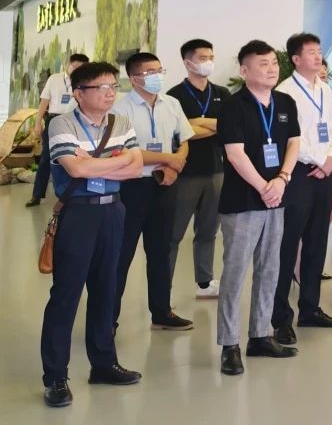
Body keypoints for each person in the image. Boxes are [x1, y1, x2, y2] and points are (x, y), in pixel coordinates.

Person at [39, 61, 144, 407]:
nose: (110, 92)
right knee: (66, 294)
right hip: (78, 213)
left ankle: (103, 364)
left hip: (113, 210)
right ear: (79, 93)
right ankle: (56, 377)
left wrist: (94, 164)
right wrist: (116, 159)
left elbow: (136, 168)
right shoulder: (61, 123)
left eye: (113, 85)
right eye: (101, 87)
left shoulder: (121, 122)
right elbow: (75, 168)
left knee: (106, 289)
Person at [215, 40, 301, 375]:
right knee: (235, 273)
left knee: (270, 268)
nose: (271, 69)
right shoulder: (233, 106)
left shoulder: (285, 102)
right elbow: (235, 154)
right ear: (244, 70)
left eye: (273, 63)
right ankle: (229, 345)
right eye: (262, 64)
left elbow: (294, 142)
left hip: (276, 198)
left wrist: (282, 179)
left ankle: (261, 335)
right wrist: (264, 187)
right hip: (243, 201)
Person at [272, 33, 332, 346]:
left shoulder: (325, 89)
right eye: (312, 52)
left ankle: (310, 308)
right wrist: (318, 160)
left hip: (324, 172)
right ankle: (279, 318)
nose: (318, 57)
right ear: (296, 59)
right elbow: (290, 138)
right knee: (287, 246)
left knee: (317, 241)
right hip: (299, 173)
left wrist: (330, 161)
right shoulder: (284, 91)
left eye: (319, 51)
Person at [113, 51, 195, 331]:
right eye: (150, 72)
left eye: (159, 71)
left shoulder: (171, 104)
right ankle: (108, 319)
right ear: (133, 77)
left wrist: (175, 165)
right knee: (121, 254)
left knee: (161, 250)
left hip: (165, 184)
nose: (157, 76)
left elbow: (183, 139)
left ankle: (161, 312)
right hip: (131, 187)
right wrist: (169, 159)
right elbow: (126, 151)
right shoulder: (120, 110)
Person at [167, 39, 229, 300]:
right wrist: (211, 125)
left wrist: (194, 123)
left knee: (208, 231)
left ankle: (204, 283)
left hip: (216, 171)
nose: (208, 62)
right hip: (185, 174)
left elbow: (228, 127)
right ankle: (163, 289)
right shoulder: (173, 96)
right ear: (188, 62)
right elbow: (178, 133)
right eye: (203, 58)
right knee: (173, 234)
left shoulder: (222, 93)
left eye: (211, 57)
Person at [28, 53, 90, 207]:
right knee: (46, 158)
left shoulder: (85, 81)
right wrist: (38, 123)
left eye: (81, 68)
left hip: (75, 121)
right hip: (54, 120)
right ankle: (37, 195)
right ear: (68, 64)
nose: (77, 70)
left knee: (73, 157)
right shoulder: (54, 79)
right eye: (75, 66)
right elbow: (44, 102)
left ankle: (68, 194)